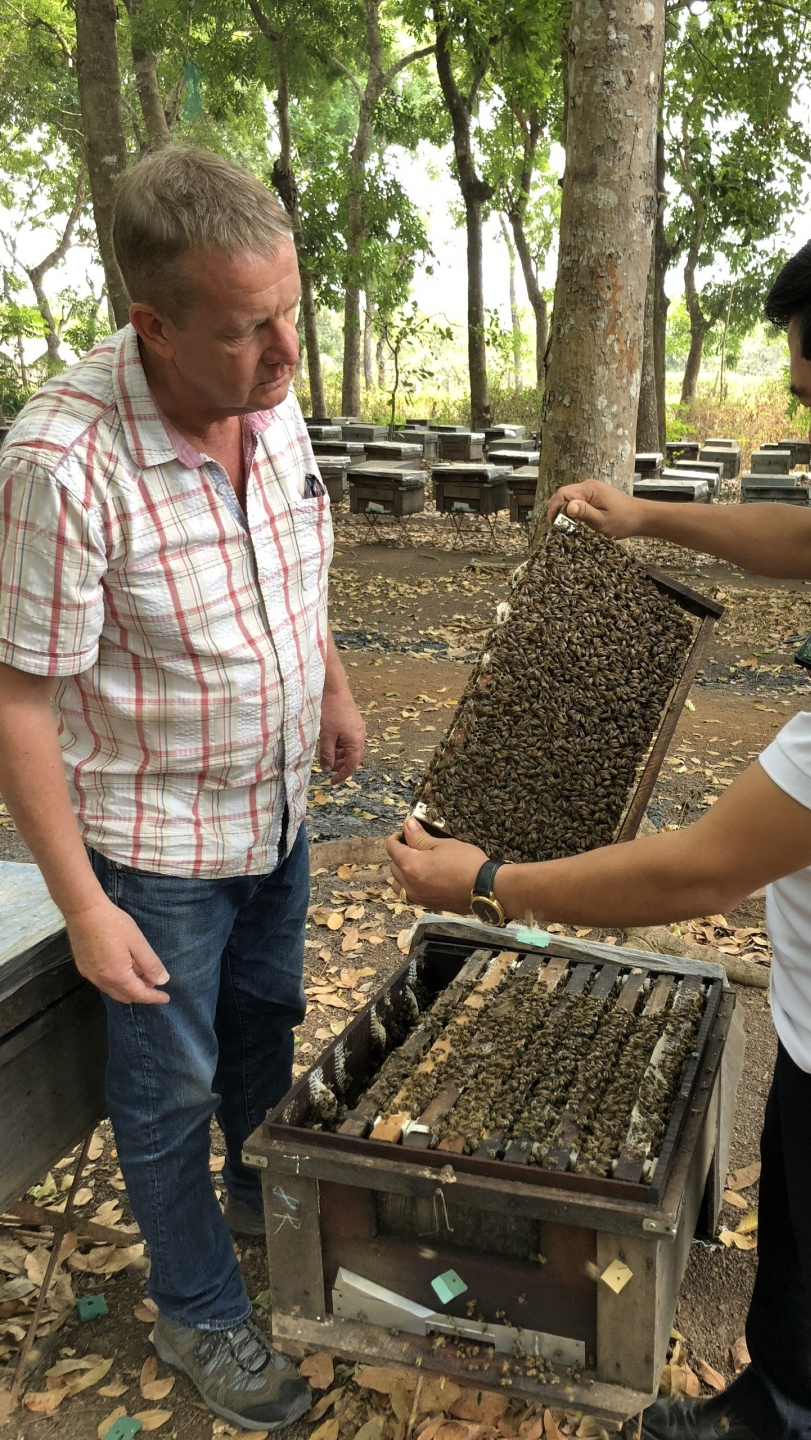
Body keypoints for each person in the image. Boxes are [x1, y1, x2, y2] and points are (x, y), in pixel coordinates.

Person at [386, 172, 811, 1440]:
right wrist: (648, 513)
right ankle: (774, 1414)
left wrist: (485, 885)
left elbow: (703, 871)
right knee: (809, 1265)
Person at [0, 146, 365, 1432]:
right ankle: (198, 1305)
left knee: (265, 1028)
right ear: (152, 324)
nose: (284, 356)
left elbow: (294, 564)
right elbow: (19, 703)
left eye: (291, 314)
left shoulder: (268, 399)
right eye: (247, 330)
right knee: (164, 1090)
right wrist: (85, 906)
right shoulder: (61, 463)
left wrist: (324, 684)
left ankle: (264, 1205)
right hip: (151, 848)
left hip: (271, 814)